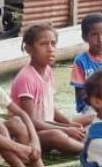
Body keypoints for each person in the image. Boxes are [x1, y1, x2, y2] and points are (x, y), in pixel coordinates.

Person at [9, 23, 91, 154]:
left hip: (47, 124)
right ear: (29, 49)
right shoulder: (26, 78)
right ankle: (89, 149)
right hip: (31, 135)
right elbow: (30, 121)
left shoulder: (47, 70)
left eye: (53, 44)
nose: (50, 49)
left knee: (90, 118)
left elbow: (49, 107)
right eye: (43, 44)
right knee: (57, 136)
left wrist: (68, 123)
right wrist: (66, 129)